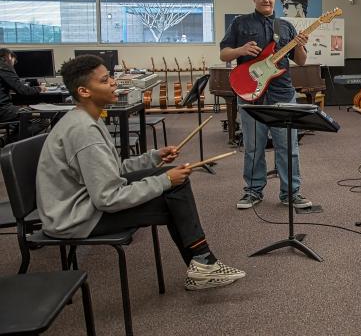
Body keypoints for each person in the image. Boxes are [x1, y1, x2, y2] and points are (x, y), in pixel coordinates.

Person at [36, 55, 245, 291]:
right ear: (84, 91)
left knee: (175, 185)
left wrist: (153, 158)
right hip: (74, 218)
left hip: (84, 203)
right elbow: (108, 198)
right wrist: (164, 181)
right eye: (105, 80)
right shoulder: (84, 132)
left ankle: (202, 263)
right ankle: (203, 263)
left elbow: (113, 171)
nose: (114, 83)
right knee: (173, 191)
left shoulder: (87, 119)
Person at [220, 0, 312, 210]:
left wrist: (299, 45)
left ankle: (291, 193)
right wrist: (240, 50)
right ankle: (253, 191)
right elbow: (224, 54)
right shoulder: (240, 23)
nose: (266, 0)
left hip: (282, 92)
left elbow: (300, 61)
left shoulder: (285, 26)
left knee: (288, 146)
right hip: (251, 94)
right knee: (253, 147)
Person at [0, 47, 47, 133]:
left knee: (19, 120)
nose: (13, 65)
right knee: (43, 118)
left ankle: (13, 137)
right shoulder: (3, 66)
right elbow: (23, 91)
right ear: (9, 57)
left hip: (3, 110)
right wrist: (39, 88)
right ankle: (15, 142)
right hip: (3, 110)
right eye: (14, 62)